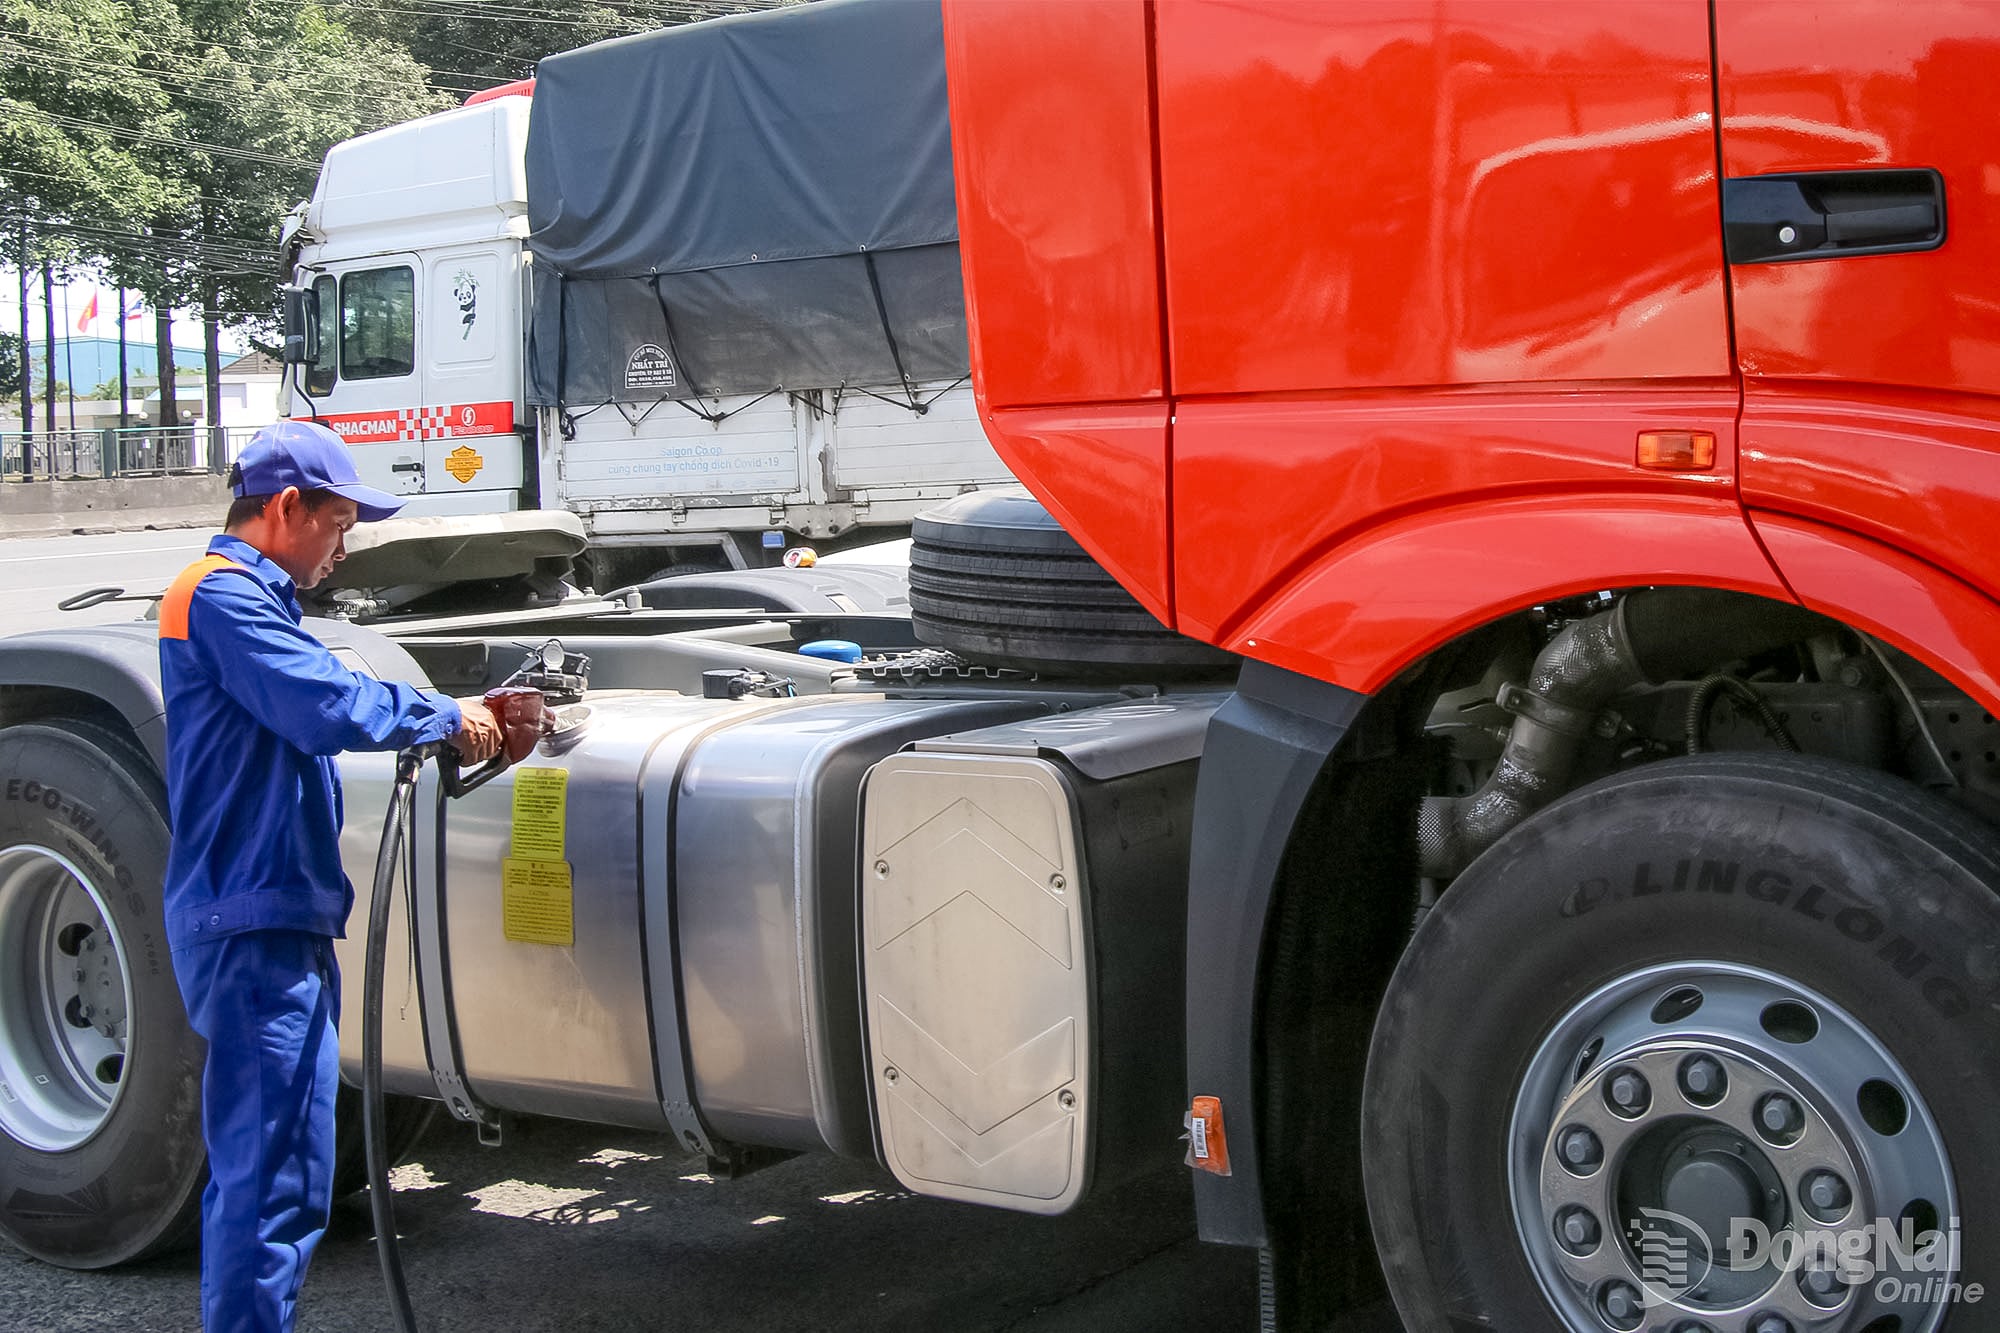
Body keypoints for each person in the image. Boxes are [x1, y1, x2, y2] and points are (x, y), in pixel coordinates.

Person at [157, 420, 507, 1333]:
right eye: (339, 523)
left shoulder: (249, 601)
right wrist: (445, 716)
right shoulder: (218, 595)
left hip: (272, 917)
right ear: (286, 507)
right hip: (252, 923)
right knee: (269, 1187)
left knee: (291, 1178)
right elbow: (323, 704)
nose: (343, 549)